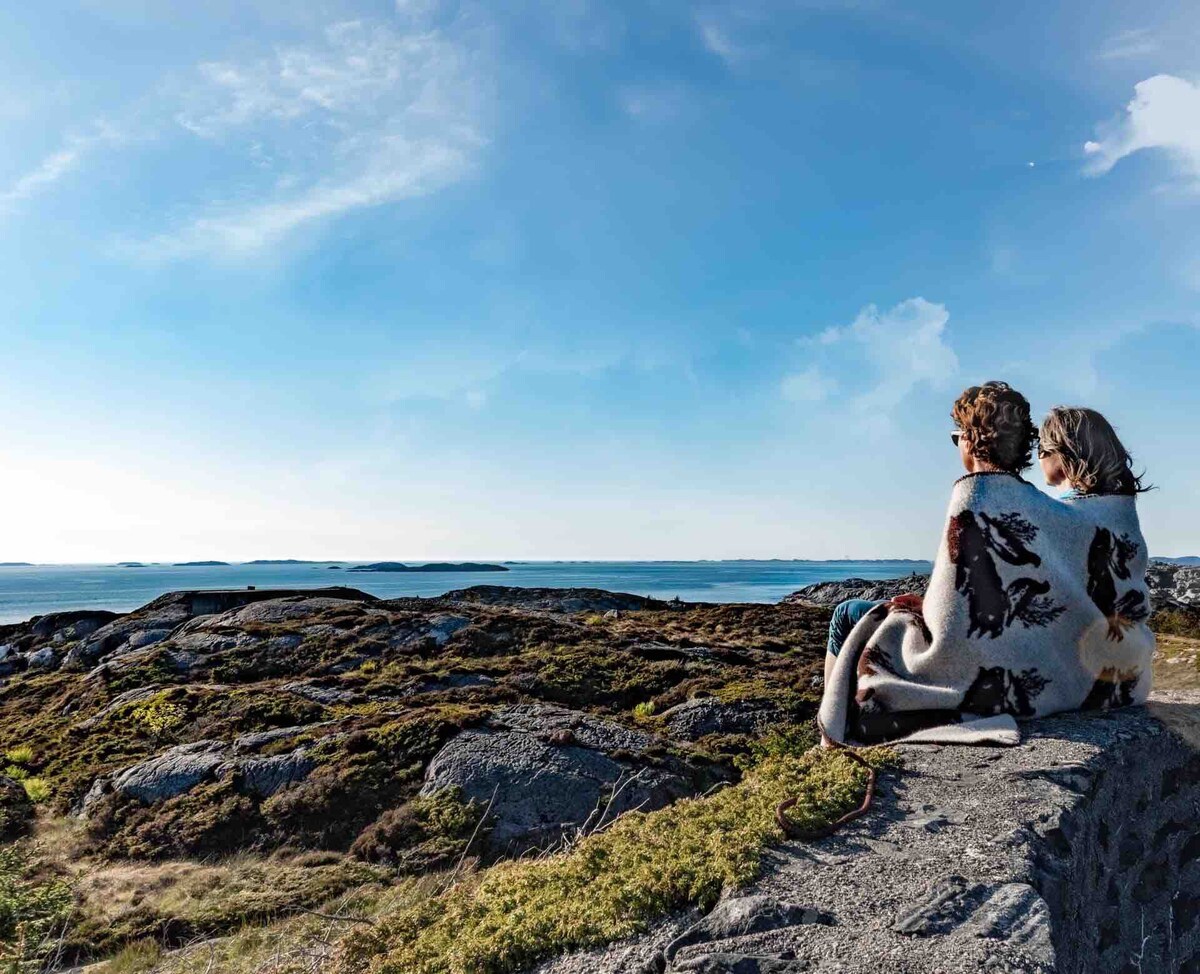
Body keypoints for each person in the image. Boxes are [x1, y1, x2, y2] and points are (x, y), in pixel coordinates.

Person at [822, 381, 1037, 685]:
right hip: (1006, 644)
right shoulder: (1037, 504)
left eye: (956, 436)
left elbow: (955, 615)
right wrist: (927, 602)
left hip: (957, 655)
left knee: (845, 613)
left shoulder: (972, 499)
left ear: (970, 439)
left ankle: (832, 725)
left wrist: (925, 610)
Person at [1038, 406, 1150, 498]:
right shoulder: (1119, 504)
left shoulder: (1057, 514)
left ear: (1068, 450)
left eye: (1041, 447)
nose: (1039, 457)